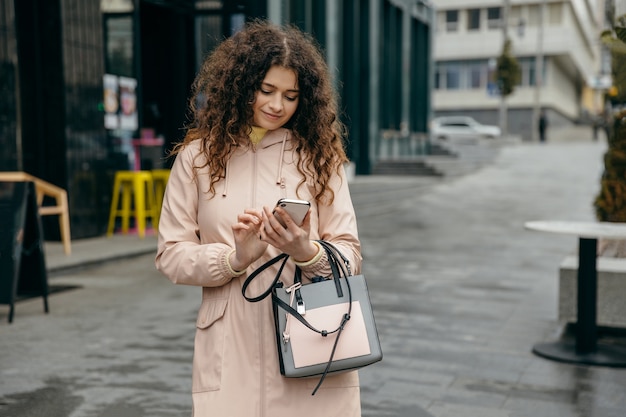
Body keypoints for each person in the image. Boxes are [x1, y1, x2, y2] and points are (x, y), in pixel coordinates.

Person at [155, 20, 362, 417]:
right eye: (266, 90)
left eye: (290, 96)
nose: (276, 105)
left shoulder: (321, 158)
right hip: (229, 343)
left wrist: (306, 251)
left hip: (313, 339)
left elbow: (349, 252)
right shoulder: (196, 159)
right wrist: (234, 258)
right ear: (241, 84)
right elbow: (171, 254)